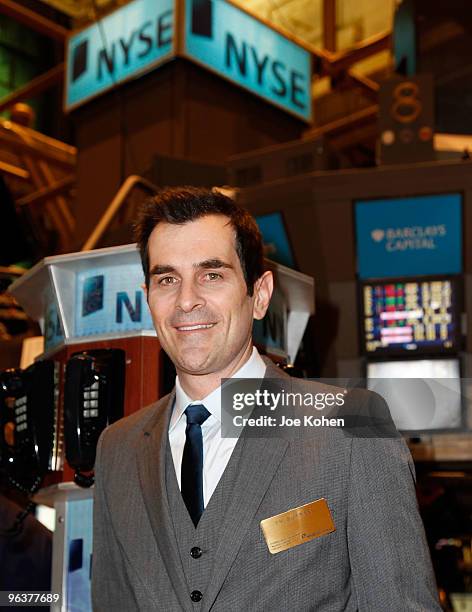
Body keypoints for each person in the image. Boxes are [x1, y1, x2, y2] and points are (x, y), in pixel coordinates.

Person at [92, 186, 441, 611]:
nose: (186, 300)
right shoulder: (118, 449)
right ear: (148, 297)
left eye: (212, 275)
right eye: (167, 279)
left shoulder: (350, 426)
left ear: (259, 295)